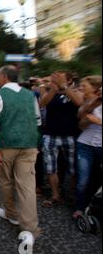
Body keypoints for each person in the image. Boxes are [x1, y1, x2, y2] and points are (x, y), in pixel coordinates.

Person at [0, 65, 42, 249]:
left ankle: (11, 214)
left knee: (6, 181)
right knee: (27, 187)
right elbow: (37, 120)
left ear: (4, 77)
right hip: (29, 145)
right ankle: (30, 230)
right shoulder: (30, 95)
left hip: (5, 145)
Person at [39, 71, 83, 207]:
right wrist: (54, 88)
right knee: (51, 168)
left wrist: (64, 87)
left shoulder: (76, 91)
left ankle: (72, 194)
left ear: (69, 80)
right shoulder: (51, 91)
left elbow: (79, 102)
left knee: (73, 168)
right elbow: (42, 103)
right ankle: (55, 195)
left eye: (60, 78)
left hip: (71, 135)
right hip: (51, 135)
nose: (56, 80)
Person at [73, 76, 102, 219]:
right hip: (84, 144)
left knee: (97, 180)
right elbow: (81, 125)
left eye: (84, 86)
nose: (81, 88)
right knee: (83, 180)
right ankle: (79, 208)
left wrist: (98, 121)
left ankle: (93, 209)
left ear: (95, 87)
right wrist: (86, 121)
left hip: (100, 146)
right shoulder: (86, 102)